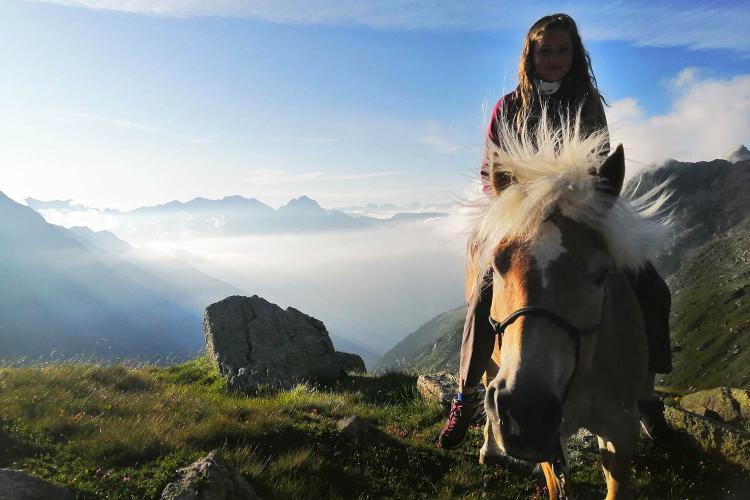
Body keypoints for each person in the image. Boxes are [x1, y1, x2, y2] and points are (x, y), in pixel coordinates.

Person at [437, 13, 673, 451]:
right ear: (531, 54)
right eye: (545, 50)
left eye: (562, 50)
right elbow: (492, 172)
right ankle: (465, 395)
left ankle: (646, 393)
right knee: (484, 293)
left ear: (575, 54)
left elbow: (597, 165)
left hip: (575, 215)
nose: (553, 58)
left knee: (652, 288)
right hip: (521, 216)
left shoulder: (586, 102)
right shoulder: (508, 106)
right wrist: (521, 202)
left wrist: (567, 201)